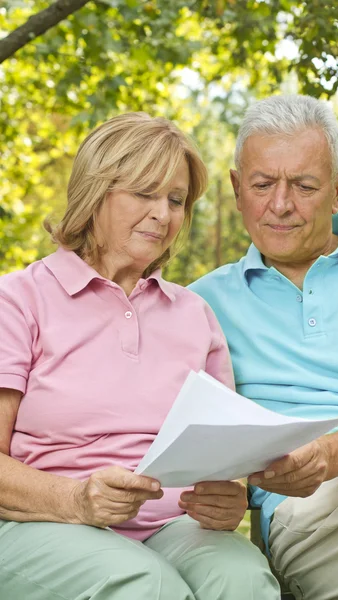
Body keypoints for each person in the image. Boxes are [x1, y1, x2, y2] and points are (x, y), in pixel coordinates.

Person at [0, 112, 281, 600]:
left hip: (172, 527)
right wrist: (77, 500)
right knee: (144, 586)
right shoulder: (18, 300)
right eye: (144, 193)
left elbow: (223, 458)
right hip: (42, 523)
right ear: (95, 192)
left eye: (175, 200)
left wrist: (225, 498)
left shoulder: (194, 313)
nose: (163, 213)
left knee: (242, 579)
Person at [189, 95, 338, 600]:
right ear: (238, 189)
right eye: (262, 185)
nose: (280, 205)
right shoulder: (200, 304)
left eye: (304, 186)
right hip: (315, 505)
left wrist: (329, 452)